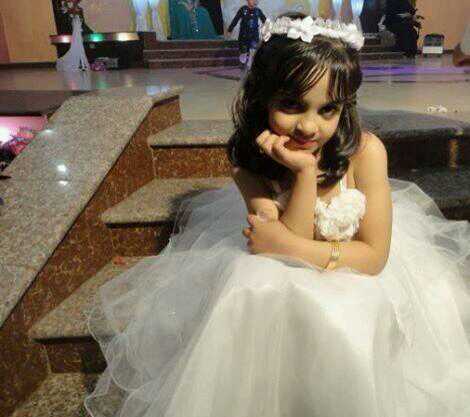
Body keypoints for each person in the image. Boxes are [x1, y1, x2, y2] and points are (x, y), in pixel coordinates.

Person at [84, 13, 470, 417]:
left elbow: (372, 257)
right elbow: (284, 251)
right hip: (299, 267)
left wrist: (287, 242)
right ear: (263, 97)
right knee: (255, 284)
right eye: (291, 105)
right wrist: (303, 173)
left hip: (361, 271)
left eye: (328, 109)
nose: (309, 126)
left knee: (349, 312)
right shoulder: (249, 166)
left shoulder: (366, 151)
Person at [227, 0, 266, 69]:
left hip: (254, 35)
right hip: (244, 35)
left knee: (253, 50)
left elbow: (265, 21)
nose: (254, 1)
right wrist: (230, 29)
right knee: (244, 51)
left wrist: (270, 29)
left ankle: (249, 65)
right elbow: (235, 19)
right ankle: (242, 62)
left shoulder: (258, 11)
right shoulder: (243, 9)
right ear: (248, 1)